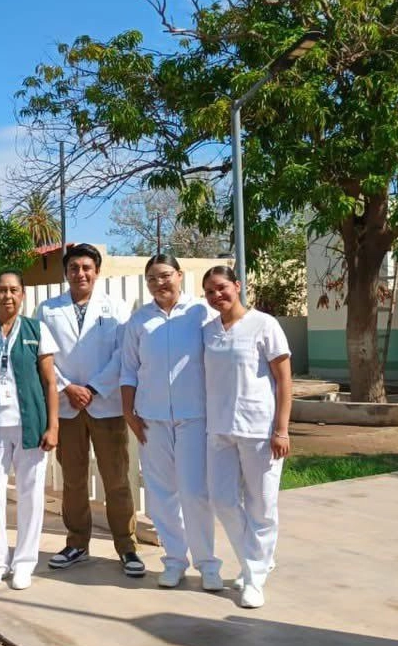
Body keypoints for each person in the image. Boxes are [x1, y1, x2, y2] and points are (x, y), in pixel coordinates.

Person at [36, 243, 143, 577]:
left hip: (105, 404)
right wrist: (68, 386)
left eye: (86, 267)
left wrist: (94, 388)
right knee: (73, 480)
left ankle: (127, 547)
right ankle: (77, 543)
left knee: (116, 479)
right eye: (73, 268)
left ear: (97, 271)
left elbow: (122, 355)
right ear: (66, 273)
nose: (80, 274)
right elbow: (44, 357)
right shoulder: (48, 309)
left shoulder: (116, 307)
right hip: (67, 405)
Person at [121, 254, 223, 591]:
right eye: (152, 279)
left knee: (195, 493)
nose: (159, 283)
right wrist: (129, 414)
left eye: (165, 276)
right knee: (161, 494)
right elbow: (129, 371)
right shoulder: (140, 321)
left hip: (194, 417)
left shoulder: (201, 313)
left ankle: (207, 564)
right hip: (152, 420)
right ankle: (174, 561)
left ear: (180, 275)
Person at [200, 265, 292, 609]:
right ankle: (256, 561)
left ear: (237, 286)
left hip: (259, 428)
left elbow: (284, 380)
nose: (216, 296)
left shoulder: (264, 324)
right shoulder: (209, 331)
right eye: (209, 291)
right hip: (219, 429)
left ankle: (253, 577)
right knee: (222, 500)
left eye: (221, 287)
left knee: (262, 505)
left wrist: (281, 429)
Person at [0, 270, 60, 591]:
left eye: (14, 290)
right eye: (2, 290)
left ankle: (24, 563)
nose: (8, 295)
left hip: (31, 427)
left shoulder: (37, 330)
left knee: (30, 496)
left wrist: (53, 426)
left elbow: (50, 383)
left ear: (23, 295)